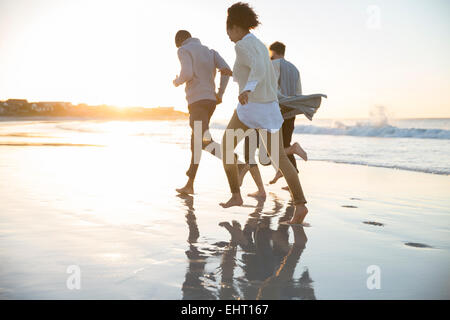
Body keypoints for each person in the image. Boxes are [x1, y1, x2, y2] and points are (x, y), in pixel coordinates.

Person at [219, 2, 308, 225]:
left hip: (251, 107)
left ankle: (236, 194)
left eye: (228, 30)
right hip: (270, 109)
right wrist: (239, 78)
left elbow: (258, 67)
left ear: (235, 27)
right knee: (279, 158)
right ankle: (300, 205)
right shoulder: (259, 44)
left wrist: (248, 89)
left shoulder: (241, 45)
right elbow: (258, 68)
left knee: (227, 145)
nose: (228, 35)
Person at [173, 30, 232, 195]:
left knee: (204, 141)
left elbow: (187, 73)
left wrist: (177, 82)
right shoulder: (210, 51)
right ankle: (189, 184)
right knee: (196, 143)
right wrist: (220, 94)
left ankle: (236, 163)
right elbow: (226, 70)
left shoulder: (183, 50)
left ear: (179, 41)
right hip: (210, 101)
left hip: (197, 102)